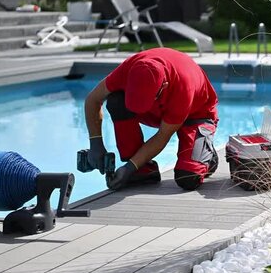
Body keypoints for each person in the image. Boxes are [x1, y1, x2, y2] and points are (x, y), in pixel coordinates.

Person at [84, 48, 219, 191]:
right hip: (158, 111)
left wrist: (129, 168)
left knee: (188, 178)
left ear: (163, 87)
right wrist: (95, 142)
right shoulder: (129, 69)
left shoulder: (183, 86)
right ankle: (144, 170)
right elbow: (93, 100)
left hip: (196, 115)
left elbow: (163, 136)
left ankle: (208, 157)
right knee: (117, 101)